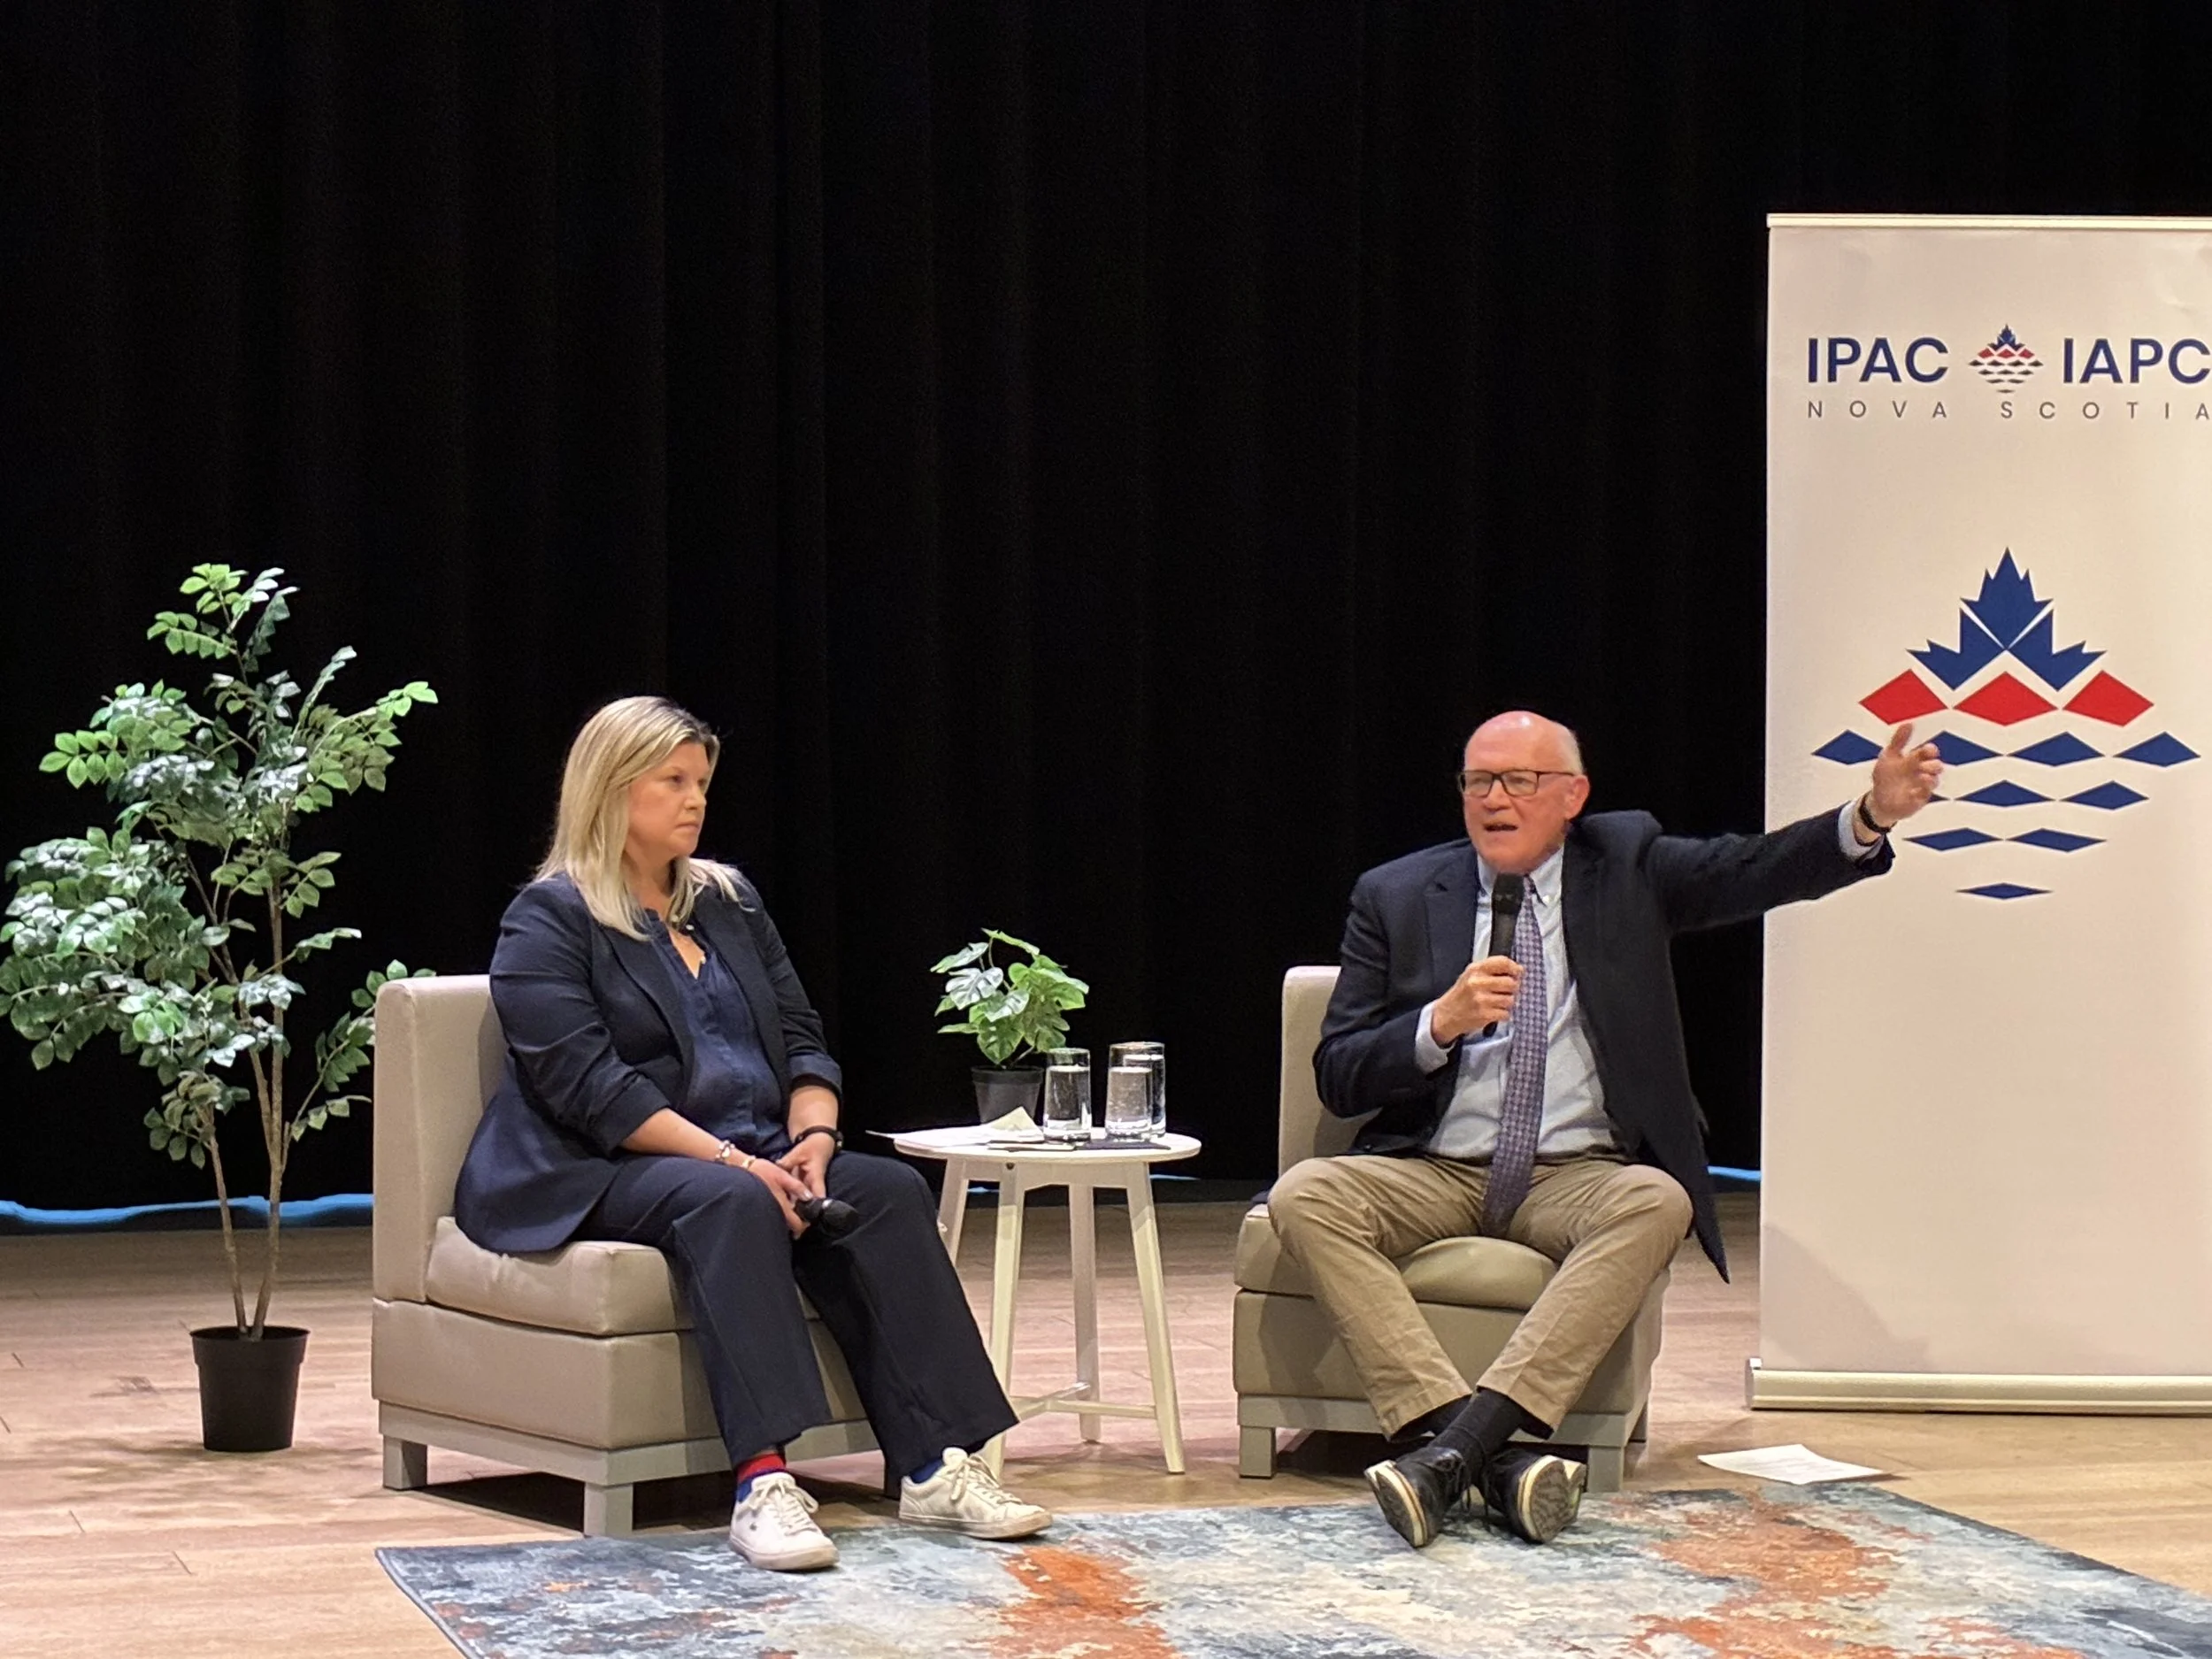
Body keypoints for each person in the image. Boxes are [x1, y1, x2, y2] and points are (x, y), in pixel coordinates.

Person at [1270, 710, 1941, 1550]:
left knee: (1656, 1199)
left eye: (1519, 780)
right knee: (1306, 1194)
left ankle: (1454, 1450)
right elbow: (1338, 1071)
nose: (1494, 798)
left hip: (1574, 1173)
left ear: (1573, 795)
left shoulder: (1627, 866)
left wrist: (1869, 817)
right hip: (1435, 1166)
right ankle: (1478, 1449)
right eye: (1478, 781)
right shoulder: (1397, 894)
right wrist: (1437, 1024)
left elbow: (1755, 867)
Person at [453, 695, 1050, 1571]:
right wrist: (735, 1158)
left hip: (751, 1147)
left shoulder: (728, 901)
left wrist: (815, 1136)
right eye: (673, 781)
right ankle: (764, 1482)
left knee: (885, 1190)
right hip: (597, 1163)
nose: (695, 799)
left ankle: (933, 1464)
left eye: (702, 781)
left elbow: (800, 1034)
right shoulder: (549, 918)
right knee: (729, 1200)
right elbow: (591, 1089)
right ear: (612, 788)